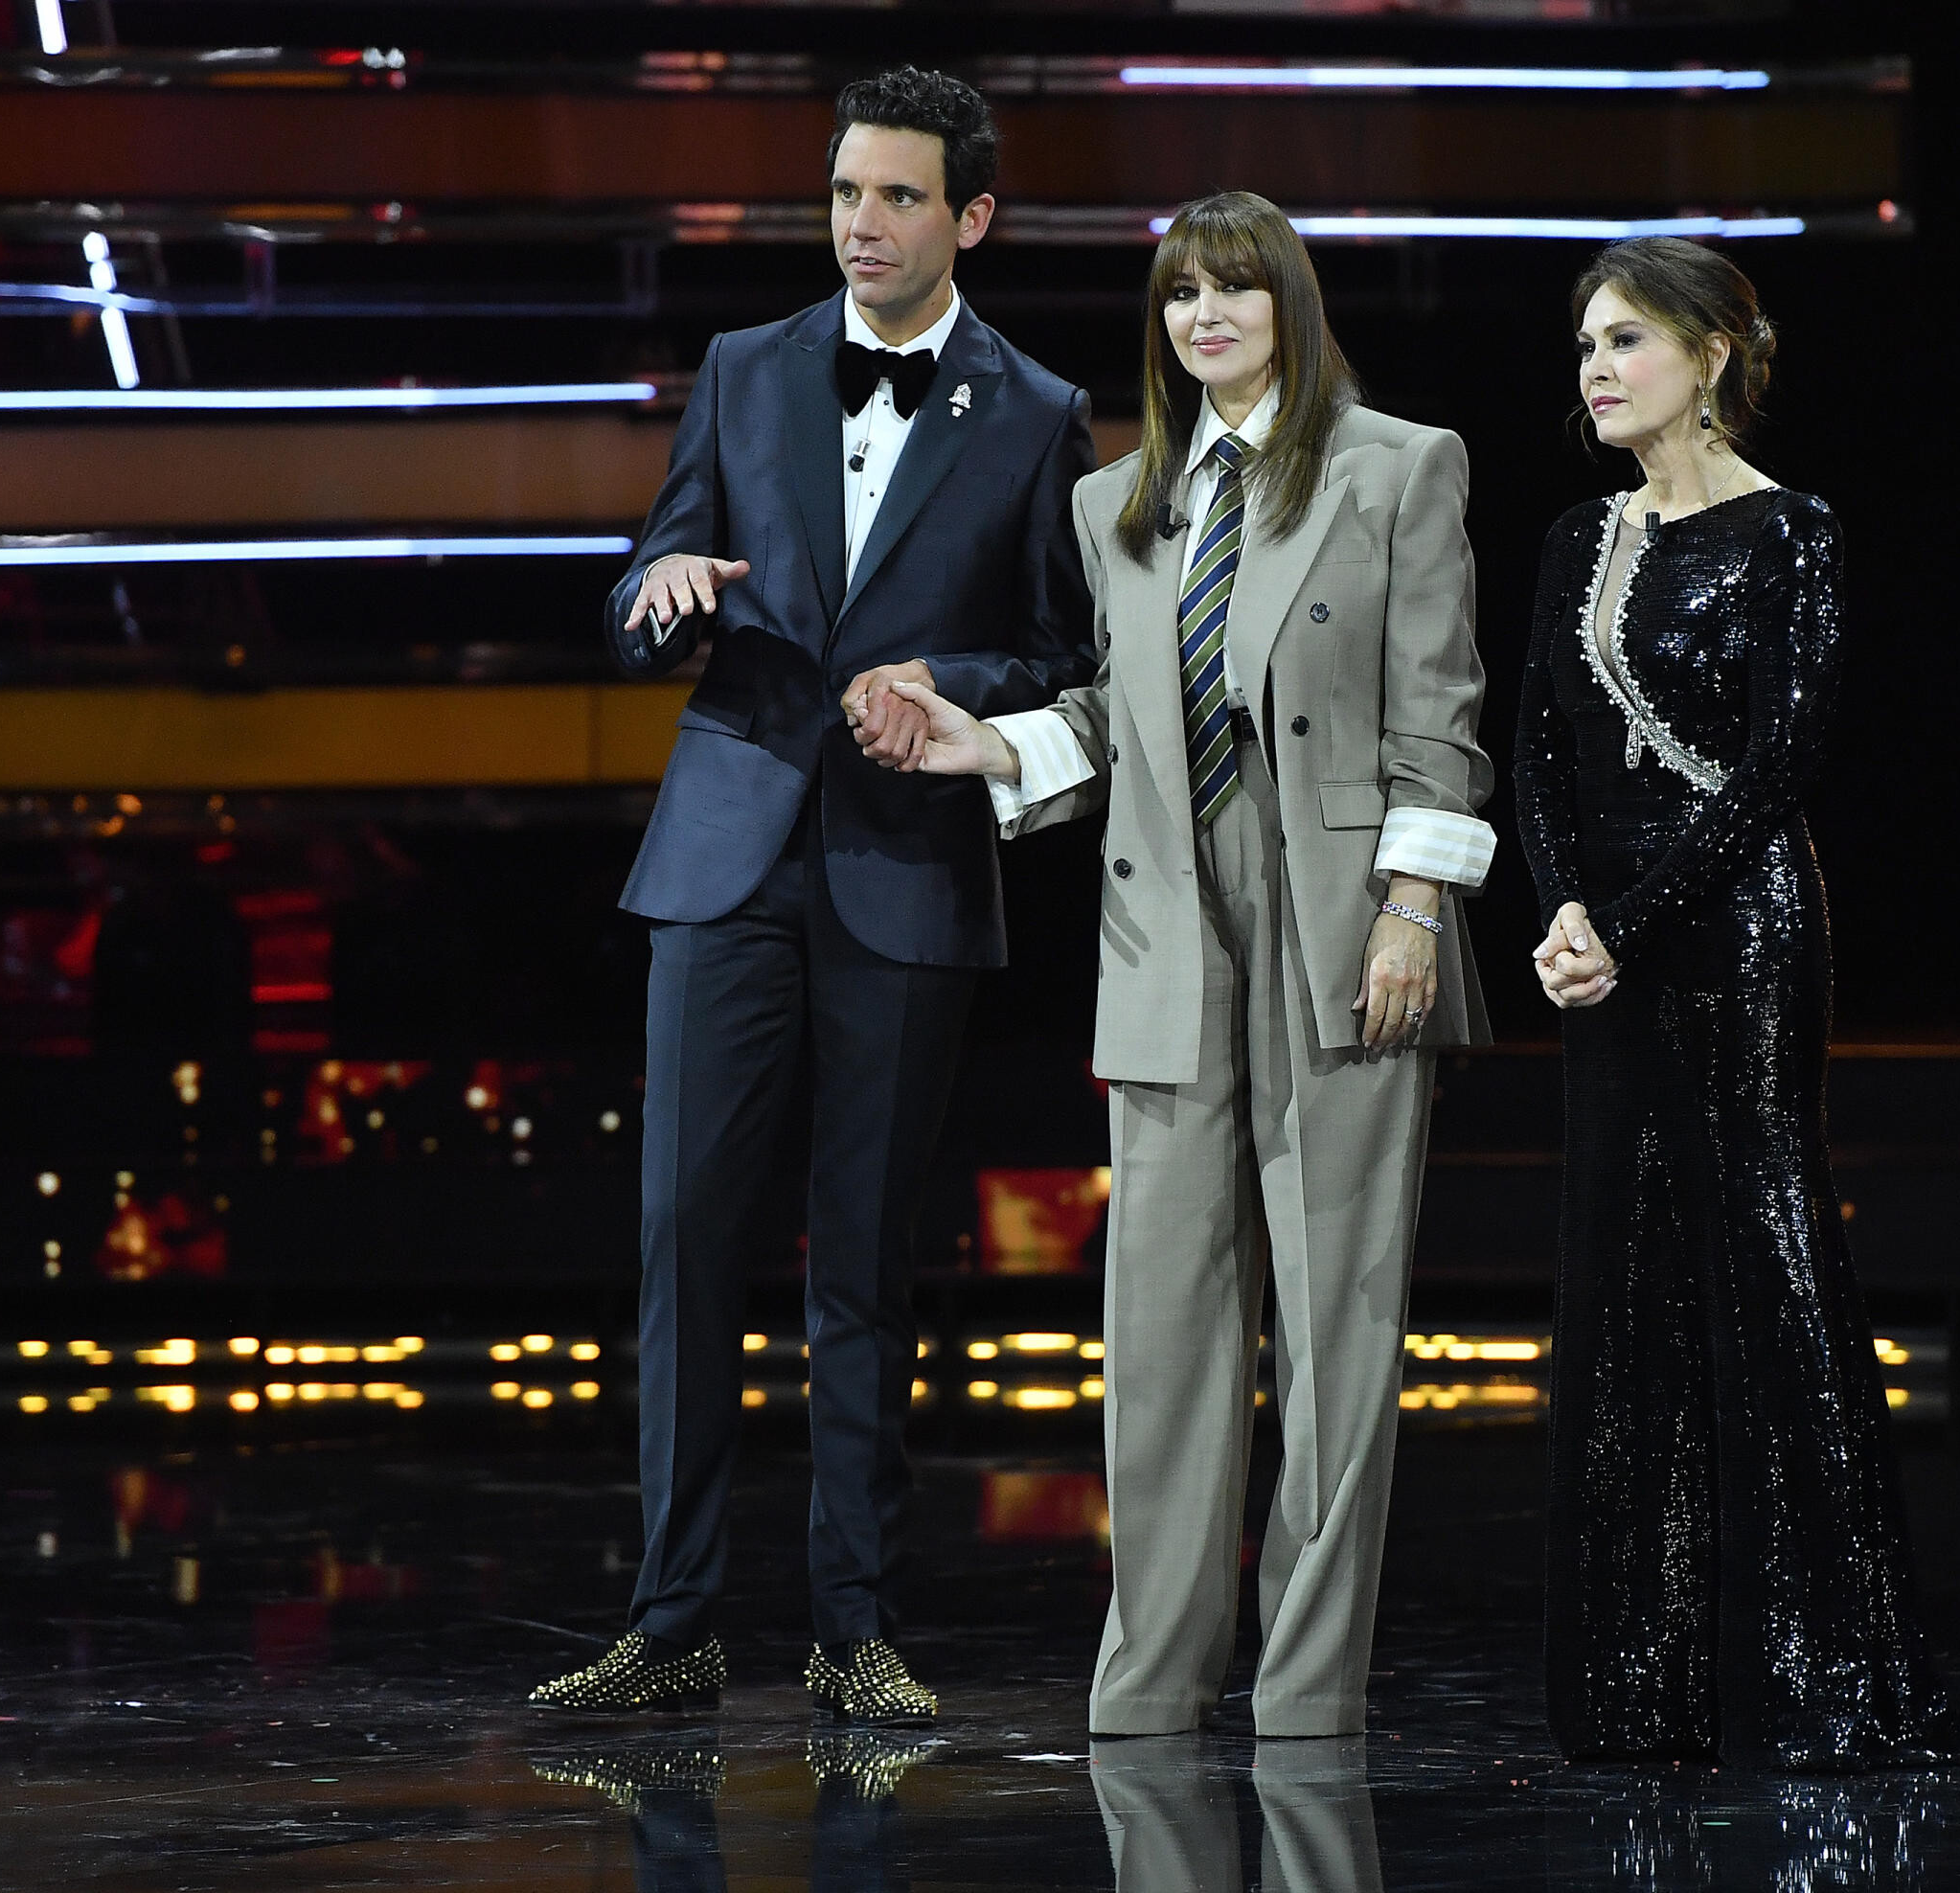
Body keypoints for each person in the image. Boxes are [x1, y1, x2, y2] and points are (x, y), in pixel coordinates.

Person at [875, 192, 1493, 1739]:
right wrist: (988, 744)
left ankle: (1307, 1691)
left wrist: (1415, 907)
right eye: (1178, 296)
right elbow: (1117, 721)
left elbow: (1438, 715)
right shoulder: (1122, 504)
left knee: (1338, 1327)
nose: (1204, 317)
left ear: (1290, 305)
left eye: (1234, 290)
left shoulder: (1396, 467)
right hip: (1167, 932)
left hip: (1344, 931)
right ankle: (1151, 1681)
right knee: (1158, 1329)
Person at [529, 66, 1097, 1721]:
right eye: (847, 191)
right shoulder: (743, 366)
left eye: (899, 196)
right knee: (683, 1240)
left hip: (905, 868)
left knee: (864, 1257)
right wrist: (660, 589)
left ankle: (856, 1628)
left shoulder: (1039, 411)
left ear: (970, 217)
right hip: (725, 854)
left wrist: (947, 683)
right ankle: (671, 1622)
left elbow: (1063, 656)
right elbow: (649, 582)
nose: (862, 222)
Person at [1514, 237, 1960, 1768]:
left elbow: (1781, 762)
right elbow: (1538, 753)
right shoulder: (1577, 539)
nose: (1597, 367)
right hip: (1605, 946)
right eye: (1588, 342)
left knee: (1764, 1256)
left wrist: (1630, 923)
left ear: (1712, 355)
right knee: (1623, 1269)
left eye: (1628, 340)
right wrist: (1565, 910)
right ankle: (1642, 1682)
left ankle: (1821, 1672)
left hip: (1739, 934)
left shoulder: (1792, 532)